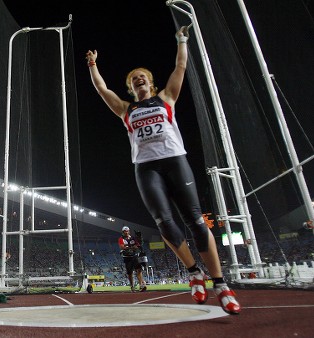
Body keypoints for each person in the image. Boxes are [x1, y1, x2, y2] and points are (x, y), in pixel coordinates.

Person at [86, 26, 240, 314]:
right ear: (131, 88)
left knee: (195, 220)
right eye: (133, 79)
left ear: (151, 83)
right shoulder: (125, 110)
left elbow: (180, 65)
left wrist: (182, 40)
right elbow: (101, 89)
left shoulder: (167, 98)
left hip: (174, 160)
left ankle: (220, 284)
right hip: (146, 168)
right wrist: (94, 65)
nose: (138, 78)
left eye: (141, 76)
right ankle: (195, 272)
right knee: (164, 222)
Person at [118, 226, 147, 292]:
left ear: (129, 231)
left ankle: (141, 285)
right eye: (125, 231)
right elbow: (122, 247)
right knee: (130, 273)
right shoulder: (121, 239)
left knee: (139, 270)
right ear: (123, 232)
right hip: (127, 257)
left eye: (127, 231)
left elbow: (137, 246)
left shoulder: (133, 238)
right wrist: (131, 247)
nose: (126, 232)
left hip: (134, 256)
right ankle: (132, 286)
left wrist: (129, 247)